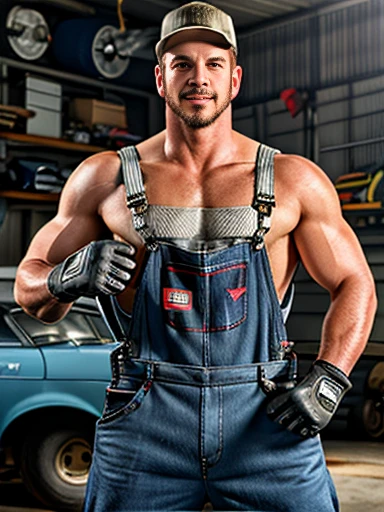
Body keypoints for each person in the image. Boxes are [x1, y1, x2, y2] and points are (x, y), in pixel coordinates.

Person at [14, 2, 377, 511]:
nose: (198, 78)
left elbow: (355, 283)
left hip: (265, 416)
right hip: (146, 418)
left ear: (235, 79)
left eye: (213, 64)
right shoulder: (105, 178)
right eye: (182, 64)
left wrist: (329, 379)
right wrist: (68, 277)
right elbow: (29, 288)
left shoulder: (295, 180)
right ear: (161, 78)